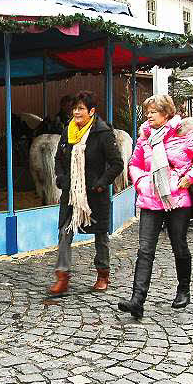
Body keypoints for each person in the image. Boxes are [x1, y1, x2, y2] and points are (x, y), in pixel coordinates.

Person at [118, 95, 193, 319]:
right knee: (145, 249)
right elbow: (134, 164)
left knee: (178, 245)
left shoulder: (185, 135)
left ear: (167, 113)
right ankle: (137, 299)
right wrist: (143, 183)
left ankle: (184, 289)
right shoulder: (145, 136)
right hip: (150, 199)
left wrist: (191, 177)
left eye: (154, 111)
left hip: (177, 200)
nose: (149, 116)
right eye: (148, 112)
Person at [47, 91, 124, 295]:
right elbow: (58, 159)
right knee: (65, 232)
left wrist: (101, 184)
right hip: (71, 194)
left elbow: (117, 163)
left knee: (100, 236)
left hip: (94, 194)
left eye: (81, 108)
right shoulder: (68, 132)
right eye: (74, 108)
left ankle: (102, 274)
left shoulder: (103, 133)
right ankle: (62, 277)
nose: (76, 112)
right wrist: (61, 178)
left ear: (91, 111)